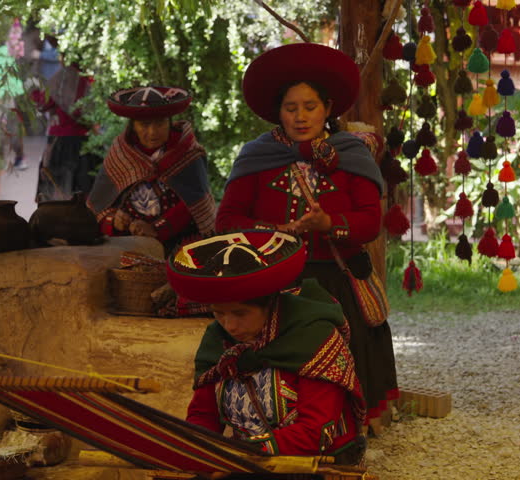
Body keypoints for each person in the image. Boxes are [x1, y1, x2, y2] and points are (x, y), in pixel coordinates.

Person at [215, 43, 399, 427]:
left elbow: (370, 222)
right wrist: (276, 232)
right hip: (275, 282)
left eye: (310, 106)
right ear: (277, 112)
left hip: (337, 280)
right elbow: (227, 220)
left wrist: (329, 224)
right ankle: (284, 425)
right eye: (291, 108)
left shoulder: (351, 155)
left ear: (328, 108)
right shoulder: (256, 157)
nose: (300, 117)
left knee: (343, 355)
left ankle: (346, 427)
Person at [166, 230, 366, 464]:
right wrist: (196, 446)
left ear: (269, 304)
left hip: (318, 462)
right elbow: (203, 415)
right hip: (246, 459)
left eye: (240, 313)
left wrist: (243, 452)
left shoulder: (313, 338)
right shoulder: (217, 341)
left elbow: (315, 431)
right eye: (219, 313)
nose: (229, 325)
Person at [86, 86, 216, 254]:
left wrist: (156, 229)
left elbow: (196, 205)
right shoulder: (120, 155)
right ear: (133, 126)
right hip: (128, 247)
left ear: (169, 123)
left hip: (182, 246)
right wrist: (115, 221)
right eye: (144, 124)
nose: (153, 132)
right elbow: (99, 208)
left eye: (160, 123)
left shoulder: (188, 154)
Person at [30, 56, 101, 200]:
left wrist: (33, 90)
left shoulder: (60, 79)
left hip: (60, 143)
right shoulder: (90, 80)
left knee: (57, 193)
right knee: (85, 192)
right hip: (85, 143)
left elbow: (43, 102)